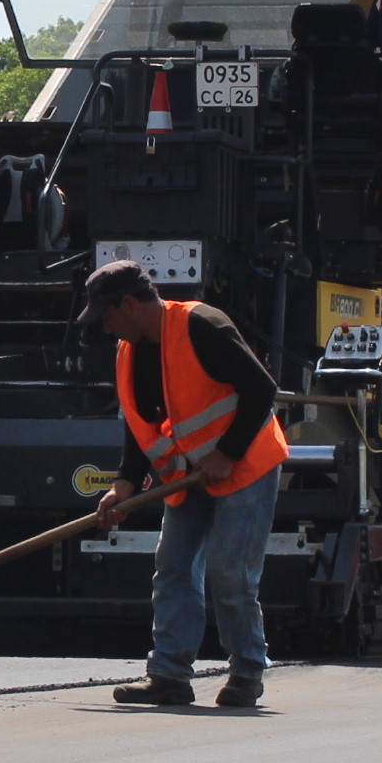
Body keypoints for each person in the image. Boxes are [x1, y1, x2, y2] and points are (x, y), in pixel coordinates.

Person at [84, 261, 289, 709]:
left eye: (107, 315)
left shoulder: (201, 324)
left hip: (245, 466)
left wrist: (228, 453)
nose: (105, 326)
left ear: (130, 304)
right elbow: (141, 427)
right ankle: (170, 675)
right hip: (186, 477)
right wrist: (124, 484)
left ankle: (247, 673)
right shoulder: (129, 350)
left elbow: (261, 387)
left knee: (229, 573)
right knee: (173, 569)